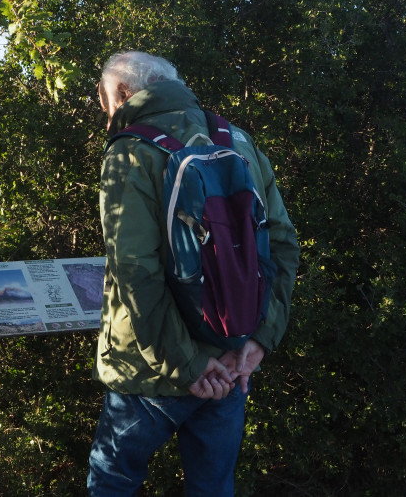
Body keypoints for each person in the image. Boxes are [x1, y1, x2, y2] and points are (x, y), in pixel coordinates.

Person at [88, 51, 300, 496]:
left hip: (150, 370)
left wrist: (187, 364)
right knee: (213, 485)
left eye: (106, 99)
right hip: (231, 357)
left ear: (124, 93)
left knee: (113, 480)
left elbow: (135, 271)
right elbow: (282, 245)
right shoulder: (238, 140)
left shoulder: (131, 152)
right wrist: (260, 340)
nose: (106, 111)